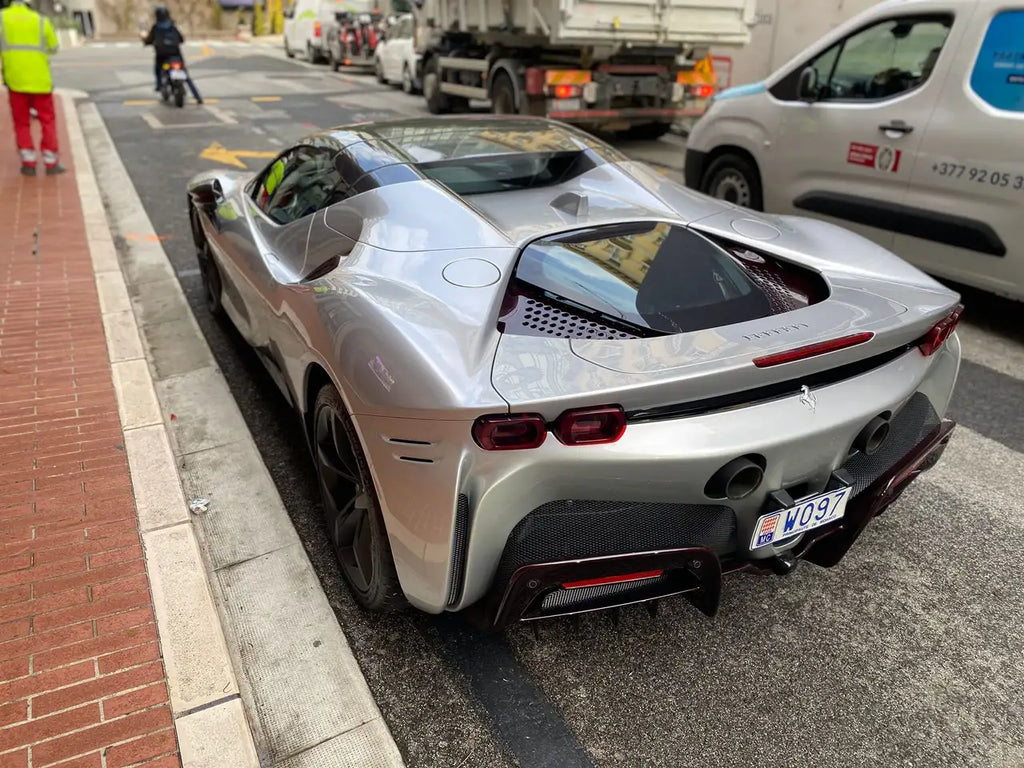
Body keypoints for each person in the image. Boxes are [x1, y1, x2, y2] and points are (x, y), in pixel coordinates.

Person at [0, 0, 65, 175]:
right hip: (40, 80)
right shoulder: (41, 20)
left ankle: (28, 162)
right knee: (47, 120)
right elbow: (53, 48)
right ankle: (51, 162)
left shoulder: (2, 18)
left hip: (15, 80)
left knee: (21, 121)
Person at [141, 5, 202, 104]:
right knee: (186, 76)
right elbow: (181, 39)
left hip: (162, 56)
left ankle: (159, 85)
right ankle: (197, 96)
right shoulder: (172, 26)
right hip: (176, 55)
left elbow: (149, 40)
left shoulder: (156, 28)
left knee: (158, 68)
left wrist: (146, 42)